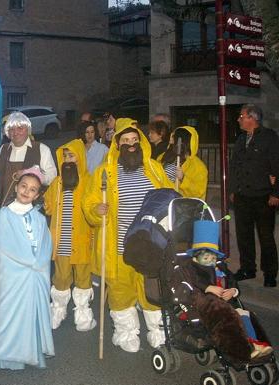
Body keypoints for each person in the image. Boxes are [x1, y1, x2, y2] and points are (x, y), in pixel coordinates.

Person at [82, 118, 172, 353]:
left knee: (152, 289)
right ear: (117, 145)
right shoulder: (104, 172)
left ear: (140, 142)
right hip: (118, 247)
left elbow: (169, 198)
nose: (131, 144)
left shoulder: (154, 168)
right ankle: (125, 332)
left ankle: (159, 332)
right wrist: (95, 210)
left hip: (151, 245)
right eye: (125, 141)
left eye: (134, 140)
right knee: (121, 291)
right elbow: (89, 202)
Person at [173, 220, 273, 360]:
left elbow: (232, 281)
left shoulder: (220, 269)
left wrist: (233, 291)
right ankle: (245, 349)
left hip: (226, 305)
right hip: (207, 308)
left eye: (213, 258)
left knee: (244, 314)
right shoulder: (190, 268)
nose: (211, 261)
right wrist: (208, 287)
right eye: (206, 258)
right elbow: (192, 283)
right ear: (195, 258)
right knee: (230, 318)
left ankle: (255, 343)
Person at [0, 166, 54, 374]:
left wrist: (40, 264)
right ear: (16, 187)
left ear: (37, 194)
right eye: (24, 186)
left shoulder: (40, 218)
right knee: (6, 315)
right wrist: (30, 261)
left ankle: (25, 352)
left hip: (34, 276)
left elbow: (46, 245)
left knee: (27, 315)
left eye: (33, 189)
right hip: (13, 275)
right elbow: (7, 245)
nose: (27, 191)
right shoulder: (6, 214)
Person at [44, 139, 95, 331]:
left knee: (83, 277)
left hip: (82, 241)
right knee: (61, 277)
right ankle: (58, 310)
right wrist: (47, 205)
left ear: (80, 157)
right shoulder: (57, 183)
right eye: (65, 156)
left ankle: (83, 314)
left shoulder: (89, 181)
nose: (67, 160)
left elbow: (94, 207)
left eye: (71, 155)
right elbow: (48, 206)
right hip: (61, 242)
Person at [229, 104, 279, 287]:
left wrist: (276, 193)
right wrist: (233, 190)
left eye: (241, 116)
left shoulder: (269, 138)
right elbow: (234, 167)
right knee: (244, 235)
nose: (239, 119)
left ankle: (270, 273)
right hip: (243, 196)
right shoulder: (242, 139)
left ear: (252, 118)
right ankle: (247, 268)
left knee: (266, 236)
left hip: (263, 196)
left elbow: (277, 165)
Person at [0, 111, 56, 207]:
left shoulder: (41, 149)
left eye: (20, 128)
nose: (15, 132)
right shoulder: (4, 149)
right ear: (7, 132)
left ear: (28, 130)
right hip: (6, 204)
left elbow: (52, 177)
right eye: (11, 129)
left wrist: (28, 173)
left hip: (31, 207)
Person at [159, 126, 208, 199]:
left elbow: (199, 191)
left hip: (183, 206)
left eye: (173, 136)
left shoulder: (198, 166)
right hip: (163, 202)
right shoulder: (164, 157)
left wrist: (183, 178)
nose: (170, 138)